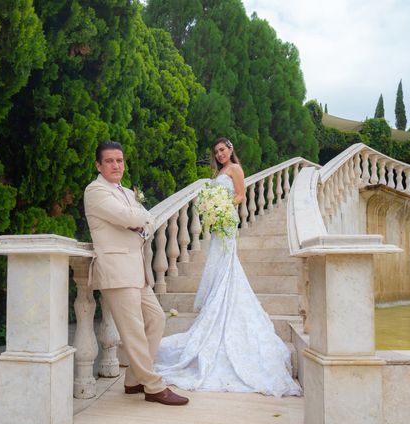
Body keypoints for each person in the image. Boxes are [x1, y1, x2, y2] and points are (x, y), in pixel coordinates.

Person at [154, 137, 302, 397]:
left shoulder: (235, 169)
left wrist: (222, 207)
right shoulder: (217, 172)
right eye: (216, 152)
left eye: (223, 150)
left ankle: (224, 306)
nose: (220, 154)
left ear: (231, 150)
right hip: (218, 222)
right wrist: (211, 209)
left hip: (227, 220)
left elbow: (241, 195)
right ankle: (216, 304)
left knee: (226, 262)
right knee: (217, 263)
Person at [84, 140, 189, 406]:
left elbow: (148, 222)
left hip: (135, 271)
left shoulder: (127, 193)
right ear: (98, 165)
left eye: (119, 160)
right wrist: (138, 217)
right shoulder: (95, 191)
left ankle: (132, 381)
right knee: (133, 331)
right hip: (116, 271)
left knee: (156, 319)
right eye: (109, 161)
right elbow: (130, 218)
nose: (116, 165)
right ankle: (153, 386)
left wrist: (138, 217)